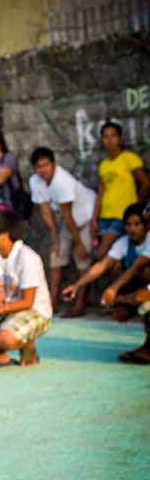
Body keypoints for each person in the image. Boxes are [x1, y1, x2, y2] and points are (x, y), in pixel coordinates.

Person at [63, 203, 150, 363]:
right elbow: (102, 265)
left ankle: (147, 349)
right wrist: (77, 285)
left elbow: (137, 267)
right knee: (121, 312)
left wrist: (113, 289)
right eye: (129, 224)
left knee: (143, 278)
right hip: (142, 289)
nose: (132, 229)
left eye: (137, 224)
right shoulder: (124, 242)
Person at [0, 210, 52, 371]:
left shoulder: (27, 258)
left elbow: (28, 301)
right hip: (7, 306)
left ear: (4, 234)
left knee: (6, 339)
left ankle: (28, 343)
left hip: (35, 311)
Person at [29, 147, 96, 317]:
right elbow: (46, 212)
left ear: (54, 164)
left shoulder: (62, 181)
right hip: (68, 222)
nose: (42, 169)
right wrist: (56, 239)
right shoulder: (35, 181)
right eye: (38, 166)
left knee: (83, 261)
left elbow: (68, 215)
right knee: (55, 258)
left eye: (46, 165)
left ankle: (79, 305)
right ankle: (51, 304)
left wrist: (80, 244)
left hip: (86, 217)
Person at [91, 121, 149, 259]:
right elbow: (101, 192)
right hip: (105, 217)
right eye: (105, 137)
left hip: (122, 217)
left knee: (101, 253)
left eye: (113, 136)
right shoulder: (104, 165)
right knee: (114, 258)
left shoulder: (130, 158)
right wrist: (94, 218)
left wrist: (137, 209)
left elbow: (146, 184)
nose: (109, 140)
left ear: (120, 138)